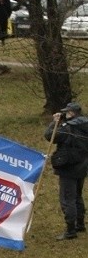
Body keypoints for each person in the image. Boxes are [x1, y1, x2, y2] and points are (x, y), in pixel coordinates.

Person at [44, 101, 88, 241]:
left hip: (68, 167)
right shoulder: (85, 125)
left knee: (67, 199)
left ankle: (70, 230)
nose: (65, 114)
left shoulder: (67, 128)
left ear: (72, 113)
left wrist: (55, 122)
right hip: (82, 166)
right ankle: (80, 224)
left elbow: (49, 136)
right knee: (77, 196)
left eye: (67, 112)